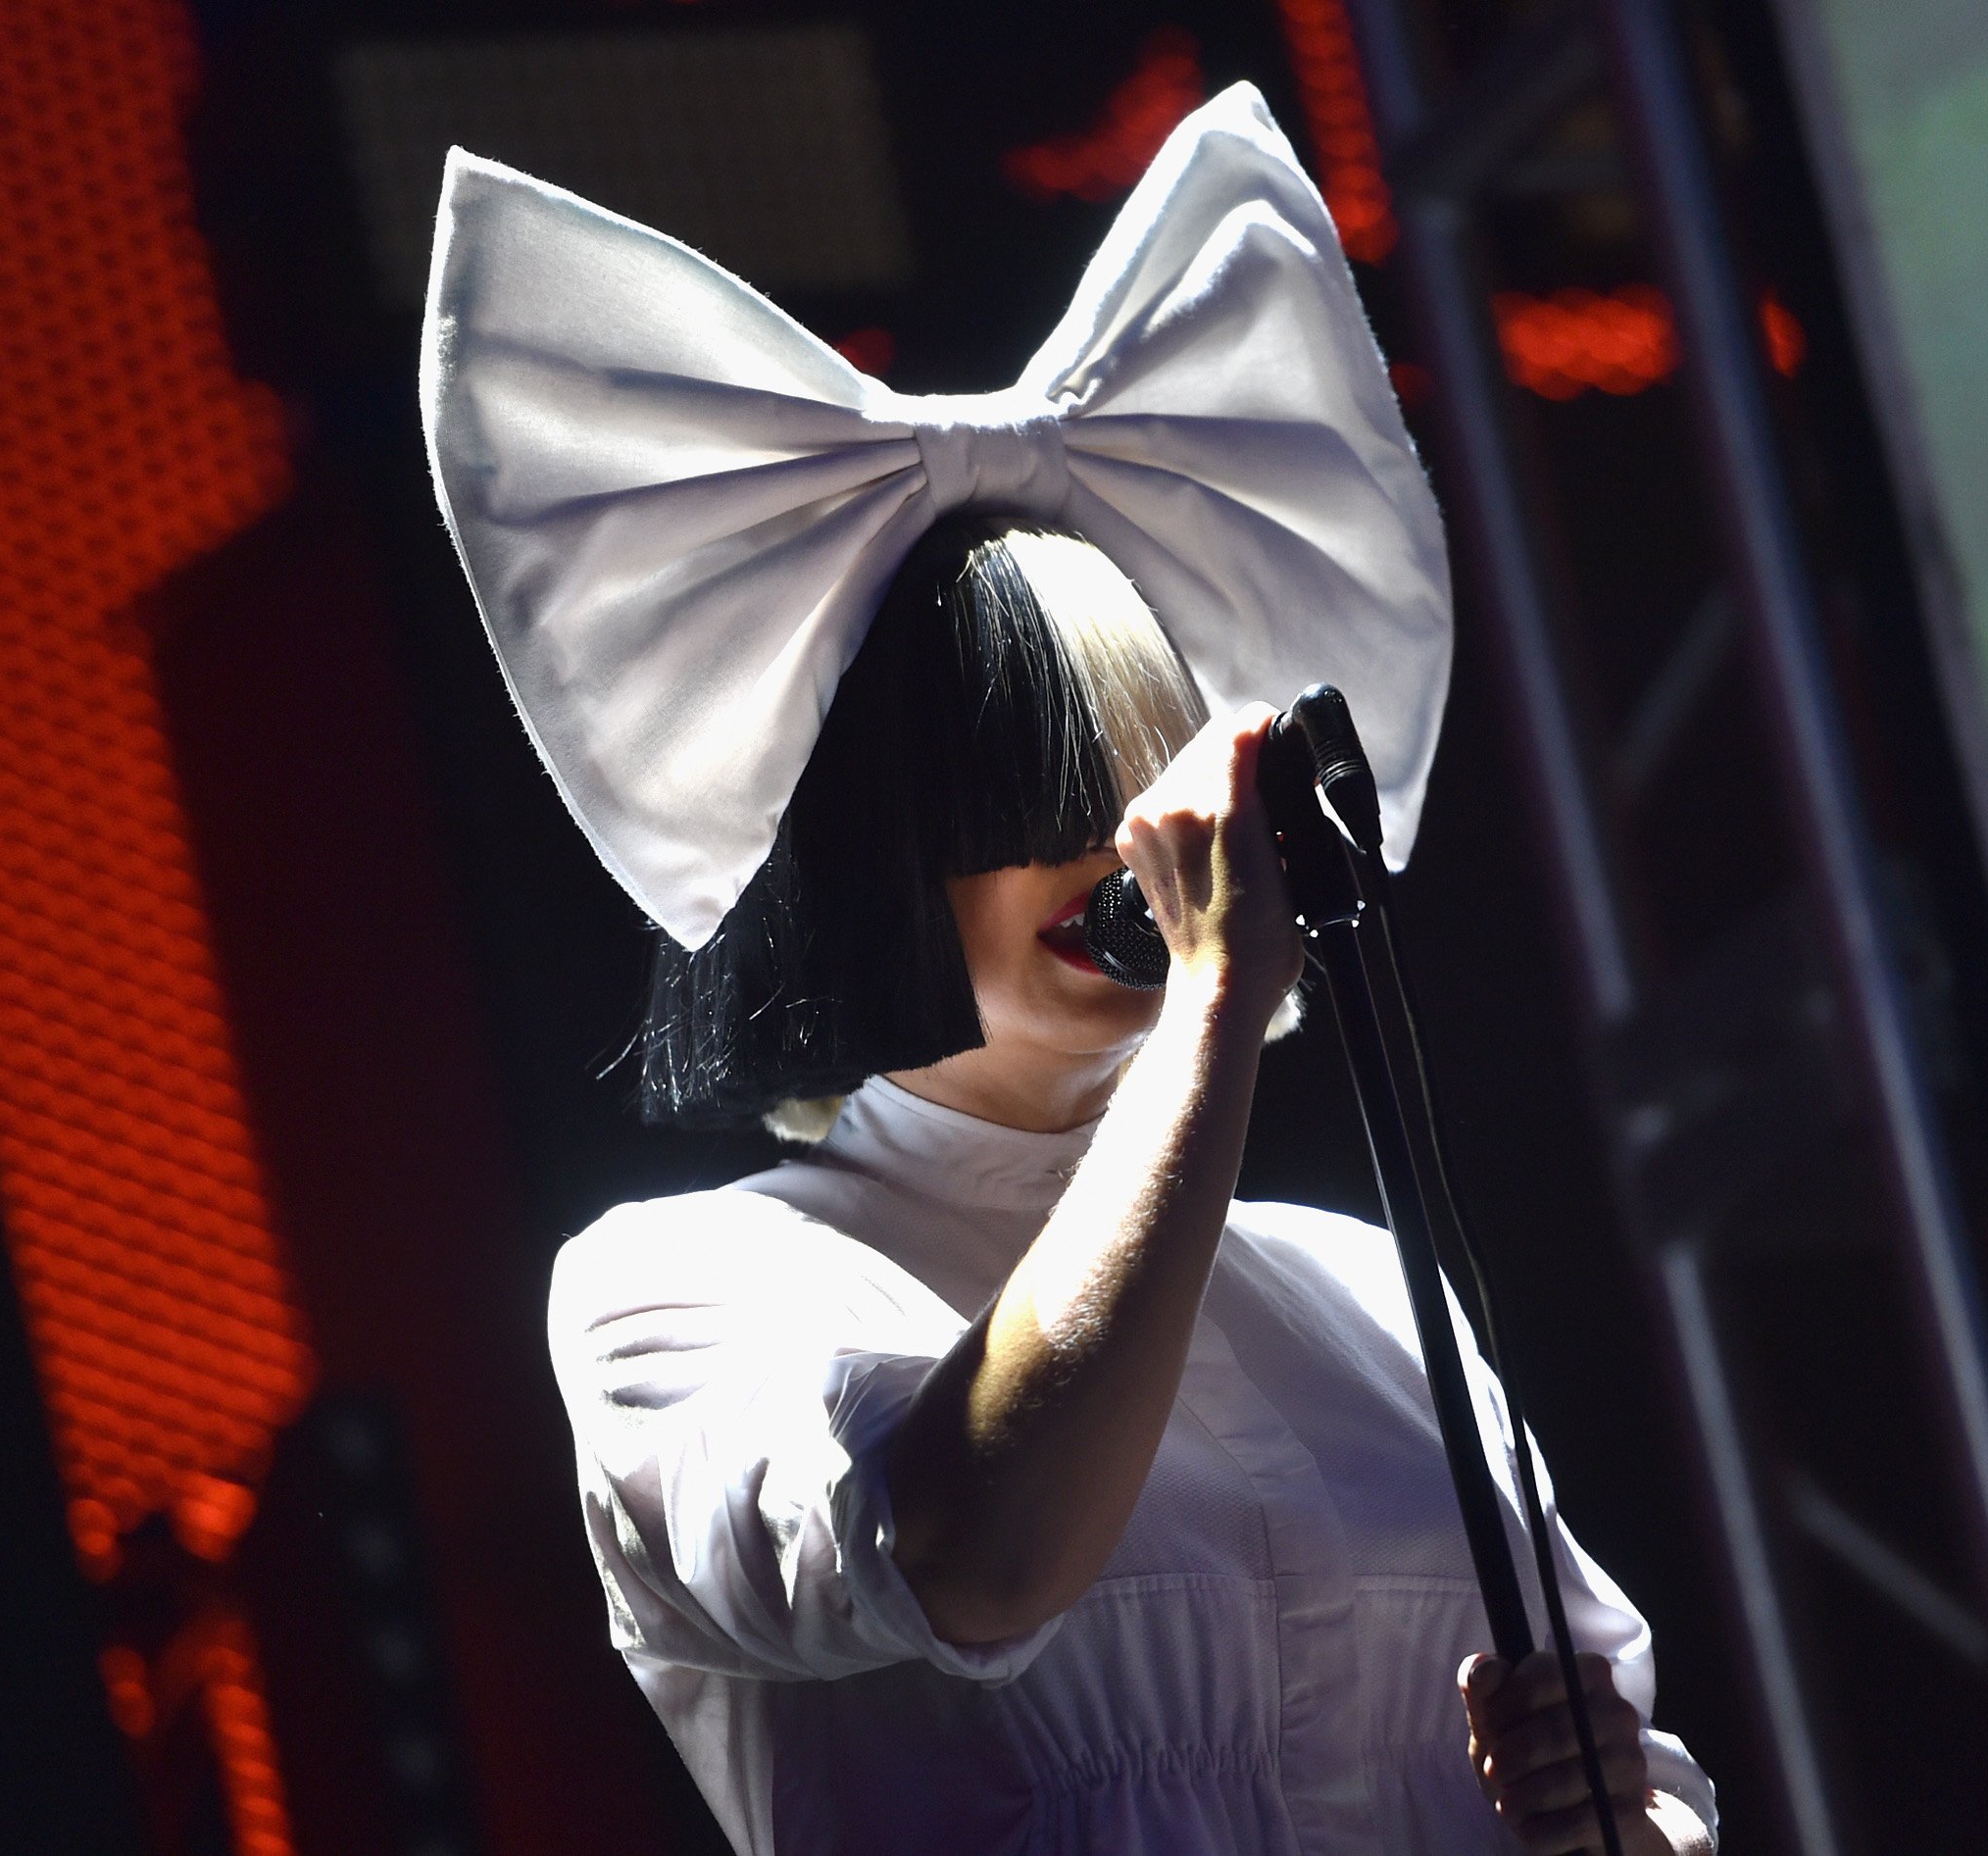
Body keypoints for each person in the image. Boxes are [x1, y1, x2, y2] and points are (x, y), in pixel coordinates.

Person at [423, 84, 1715, 1856]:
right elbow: (978, 1545)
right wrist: (1207, 1010)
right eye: (1036, 792)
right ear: (862, 850)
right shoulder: (689, 1287)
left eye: (1142, 770)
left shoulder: (1358, 1295)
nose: (1122, 845)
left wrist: (1617, 1815)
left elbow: (1636, 1774)